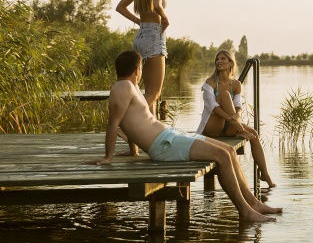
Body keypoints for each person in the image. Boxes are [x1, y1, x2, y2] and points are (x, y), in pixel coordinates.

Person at [87, 50, 281, 223]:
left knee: (229, 150)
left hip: (169, 136)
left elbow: (129, 123)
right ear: (136, 68)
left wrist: (133, 151)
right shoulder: (122, 88)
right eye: (141, 66)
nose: (142, 71)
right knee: (221, 156)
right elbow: (114, 123)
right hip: (163, 144)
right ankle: (245, 211)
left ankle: (254, 203)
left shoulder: (131, 87)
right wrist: (108, 156)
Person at [197, 50, 276, 187]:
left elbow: (238, 105)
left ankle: (265, 174)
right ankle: (240, 129)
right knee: (225, 95)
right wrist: (235, 122)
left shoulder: (236, 84)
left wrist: (237, 115)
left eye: (223, 59)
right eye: (217, 59)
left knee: (254, 134)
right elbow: (213, 107)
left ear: (230, 63)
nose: (219, 61)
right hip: (212, 127)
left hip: (229, 125)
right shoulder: (210, 83)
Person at [116, 0, 169, 117]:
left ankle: (150, 135)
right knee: (154, 93)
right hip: (154, 37)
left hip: (140, 37)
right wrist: (165, 17)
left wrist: (139, 22)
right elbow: (156, 3)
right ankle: (125, 121)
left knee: (146, 91)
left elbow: (120, 7)